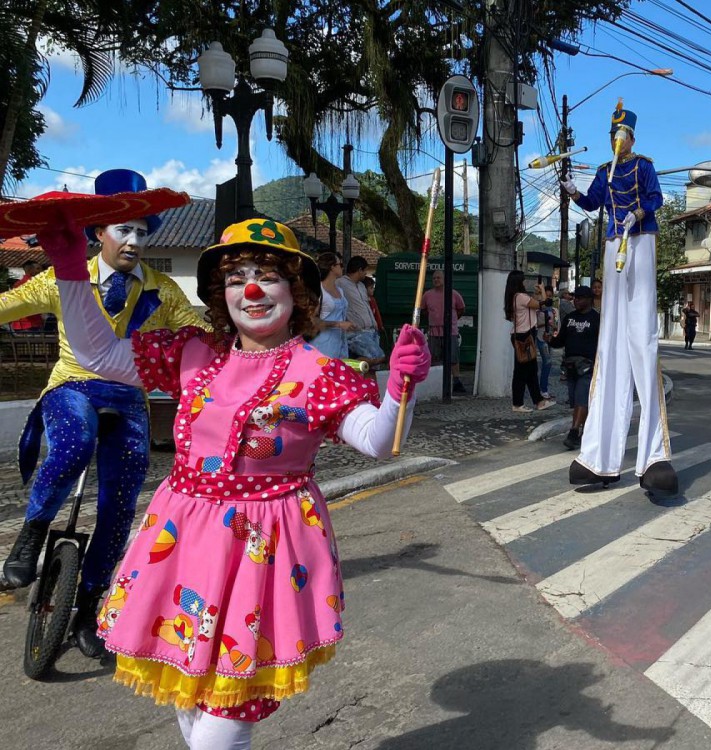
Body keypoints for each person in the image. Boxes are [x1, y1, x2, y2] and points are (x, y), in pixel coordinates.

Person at [36, 215, 430, 749]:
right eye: (235, 276)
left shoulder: (318, 371)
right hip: (182, 545)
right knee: (188, 695)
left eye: (267, 274)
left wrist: (400, 385)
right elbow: (98, 355)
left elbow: (379, 440)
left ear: (296, 290)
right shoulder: (191, 352)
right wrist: (68, 271)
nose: (250, 289)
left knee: (223, 723)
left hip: (262, 554)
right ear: (220, 294)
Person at [0, 169, 206, 659]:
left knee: (123, 497)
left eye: (142, 231)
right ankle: (31, 534)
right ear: (98, 232)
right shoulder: (59, 278)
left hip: (128, 396)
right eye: (124, 230)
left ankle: (92, 601)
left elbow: (195, 330)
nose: (134, 241)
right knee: (74, 442)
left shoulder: (164, 290)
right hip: (71, 386)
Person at [561, 100, 677, 497]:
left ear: (632, 139)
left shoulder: (643, 165)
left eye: (623, 136)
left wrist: (638, 214)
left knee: (641, 338)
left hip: (640, 243)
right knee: (610, 345)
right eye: (614, 135)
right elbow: (594, 203)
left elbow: (656, 198)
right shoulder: (603, 172)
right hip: (614, 246)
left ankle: (653, 458)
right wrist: (575, 193)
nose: (618, 141)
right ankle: (600, 460)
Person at [550, 285, 601, 450]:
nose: (576, 300)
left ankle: (573, 431)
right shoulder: (570, 318)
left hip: (588, 366)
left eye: (580, 298)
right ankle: (585, 431)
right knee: (576, 401)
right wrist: (550, 339)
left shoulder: (597, 319)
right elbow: (560, 341)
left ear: (589, 300)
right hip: (570, 365)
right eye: (575, 298)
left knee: (581, 398)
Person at [504, 270, 554, 413]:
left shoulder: (515, 297)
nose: (526, 282)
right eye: (524, 280)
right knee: (522, 371)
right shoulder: (520, 297)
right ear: (519, 282)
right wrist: (543, 290)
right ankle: (518, 403)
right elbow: (545, 304)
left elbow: (535, 303)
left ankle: (538, 401)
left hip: (521, 335)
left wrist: (538, 295)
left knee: (531, 369)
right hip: (524, 336)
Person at [420, 269, 467, 394]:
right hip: (434, 332)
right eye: (434, 278)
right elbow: (423, 310)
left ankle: (456, 381)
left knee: (453, 357)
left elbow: (461, 309)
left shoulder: (453, 294)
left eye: (438, 278)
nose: (436, 280)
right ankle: (437, 381)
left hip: (450, 331)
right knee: (434, 357)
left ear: (444, 279)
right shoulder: (427, 295)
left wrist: (452, 320)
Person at [337, 255, 386, 367]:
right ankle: (344, 367)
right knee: (378, 356)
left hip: (372, 331)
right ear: (359, 270)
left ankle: (368, 384)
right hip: (357, 332)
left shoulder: (362, 286)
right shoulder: (340, 283)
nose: (365, 274)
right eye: (365, 271)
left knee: (373, 367)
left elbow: (367, 306)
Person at [309, 252, 352, 358]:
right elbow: (312, 321)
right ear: (332, 267)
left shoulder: (340, 291)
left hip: (340, 344)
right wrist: (339, 324)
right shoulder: (319, 291)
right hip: (322, 345)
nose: (343, 268)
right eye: (340, 265)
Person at [10, 260, 46, 332]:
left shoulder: (17, 284)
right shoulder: (34, 283)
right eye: (38, 269)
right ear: (30, 270)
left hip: (19, 322)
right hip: (31, 322)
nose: (41, 271)